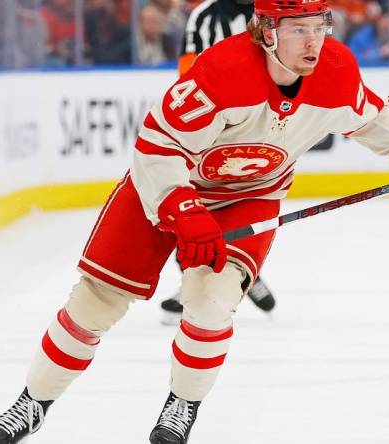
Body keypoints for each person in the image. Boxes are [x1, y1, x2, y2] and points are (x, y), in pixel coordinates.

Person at [0, 1, 389, 443]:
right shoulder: (222, 71)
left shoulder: (335, 70)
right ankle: (33, 403)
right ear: (267, 32)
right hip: (166, 187)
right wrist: (181, 210)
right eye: (299, 28)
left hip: (249, 196)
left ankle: (181, 406)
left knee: (212, 304)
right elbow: (158, 146)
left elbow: (373, 121)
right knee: (96, 301)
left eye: (319, 25)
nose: (314, 40)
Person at [163, 0, 276, 324]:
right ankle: (197, 281)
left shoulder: (271, 11)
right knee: (194, 206)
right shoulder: (204, 17)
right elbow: (187, 76)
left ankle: (240, 270)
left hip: (260, 124)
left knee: (247, 201)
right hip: (210, 125)